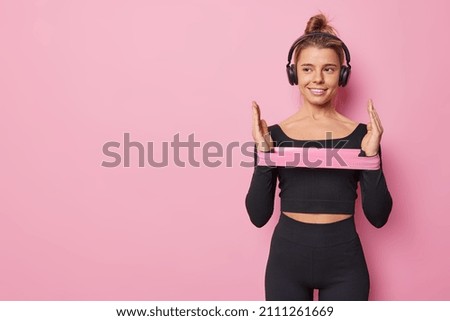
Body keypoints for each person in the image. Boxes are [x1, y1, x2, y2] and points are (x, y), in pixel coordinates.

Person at [245, 13, 393, 301]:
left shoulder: (362, 135)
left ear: (343, 74)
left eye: (329, 69)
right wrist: (263, 153)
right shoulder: (273, 134)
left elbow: (378, 216)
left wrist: (371, 154)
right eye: (308, 68)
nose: (318, 78)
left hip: (345, 265)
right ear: (294, 74)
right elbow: (258, 215)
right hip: (286, 263)